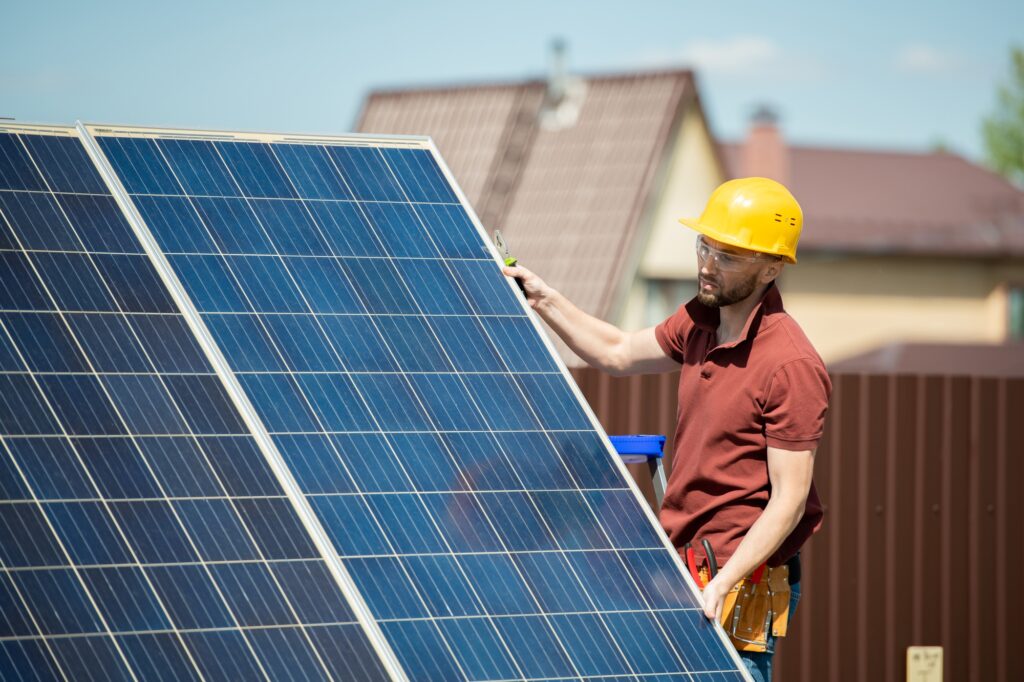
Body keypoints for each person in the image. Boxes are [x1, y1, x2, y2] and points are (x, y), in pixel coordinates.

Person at [503, 177, 830, 682]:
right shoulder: (701, 321)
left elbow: (789, 501)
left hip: (736, 581)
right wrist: (543, 298)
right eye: (705, 245)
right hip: (682, 567)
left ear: (771, 266)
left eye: (728, 254)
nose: (707, 263)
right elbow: (616, 350)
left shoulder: (790, 365)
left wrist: (724, 582)